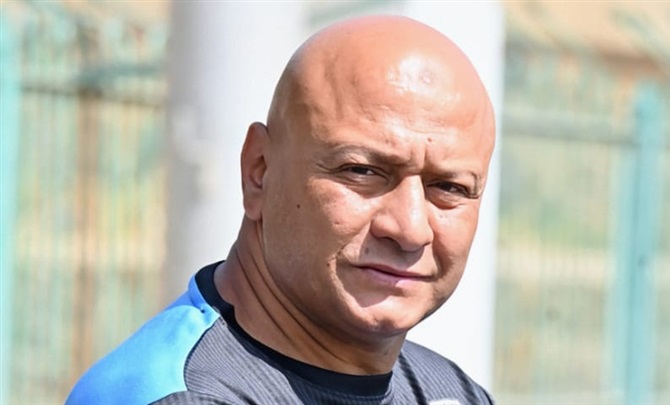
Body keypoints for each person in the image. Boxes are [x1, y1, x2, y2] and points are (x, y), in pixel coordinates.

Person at [67, 14, 496, 405]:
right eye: (362, 171)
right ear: (259, 172)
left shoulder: (449, 391)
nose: (410, 229)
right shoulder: (182, 396)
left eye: (450, 187)